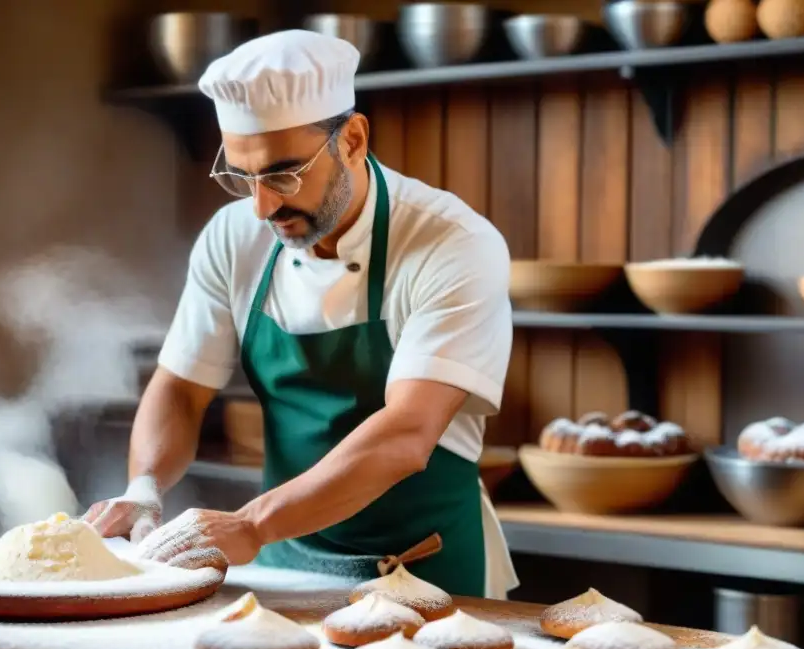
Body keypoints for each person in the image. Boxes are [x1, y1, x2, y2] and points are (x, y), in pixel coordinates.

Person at [83, 29, 519, 598]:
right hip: (282, 564)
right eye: (242, 176)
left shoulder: (452, 243)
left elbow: (407, 434)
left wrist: (251, 524)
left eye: (283, 173)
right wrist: (143, 488)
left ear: (353, 140)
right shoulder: (234, 236)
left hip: (425, 569)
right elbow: (181, 387)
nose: (263, 206)